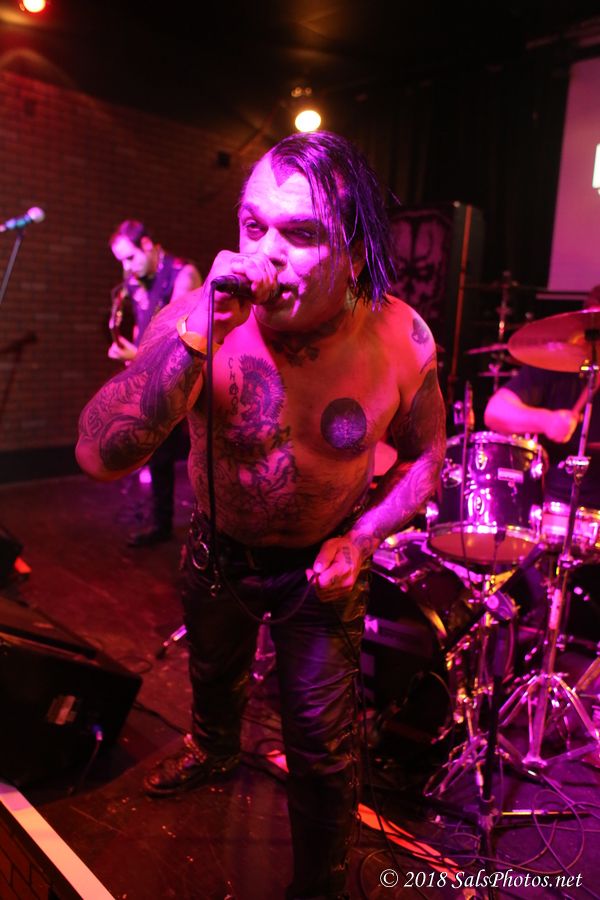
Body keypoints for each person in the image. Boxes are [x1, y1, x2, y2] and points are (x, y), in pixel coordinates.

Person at [77, 131, 446, 899]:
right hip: (217, 549)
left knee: (324, 751)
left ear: (356, 252)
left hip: (322, 570)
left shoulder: (402, 340)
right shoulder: (197, 318)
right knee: (214, 677)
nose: (263, 254)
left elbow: (426, 459)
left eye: (300, 233)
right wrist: (195, 338)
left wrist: (363, 538)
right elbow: (97, 454)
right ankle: (213, 747)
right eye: (252, 225)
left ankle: (318, 887)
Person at [108, 220, 202, 546]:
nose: (126, 267)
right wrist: (132, 351)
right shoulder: (137, 280)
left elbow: (180, 338)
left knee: (197, 455)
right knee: (157, 453)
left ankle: (206, 527)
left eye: (130, 257)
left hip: (191, 378)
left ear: (147, 245)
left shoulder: (183, 274)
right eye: (121, 261)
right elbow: (142, 325)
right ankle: (160, 523)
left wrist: (137, 354)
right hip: (155, 376)